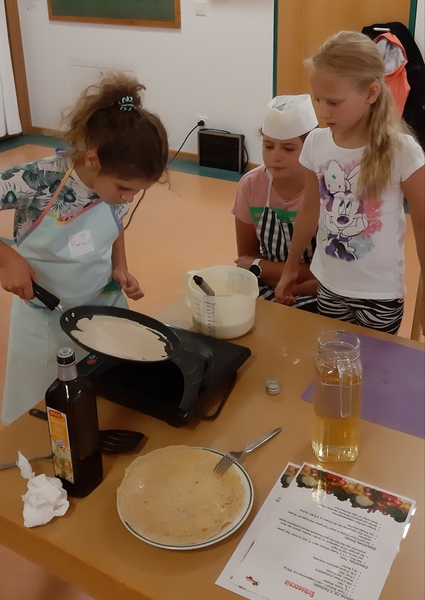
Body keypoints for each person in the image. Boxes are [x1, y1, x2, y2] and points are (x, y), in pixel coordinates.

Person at [0, 72, 169, 424]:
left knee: (104, 405)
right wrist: (8, 258)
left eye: (137, 192)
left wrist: (119, 266)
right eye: (124, 188)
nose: (128, 198)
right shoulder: (39, 180)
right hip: (46, 319)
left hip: (104, 307)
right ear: (93, 160)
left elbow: (115, 221)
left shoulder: (116, 187)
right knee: (44, 415)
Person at [275, 31, 425, 335]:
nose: (323, 111)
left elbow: (422, 224)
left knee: (375, 363)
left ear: (371, 93)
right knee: (334, 358)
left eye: (334, 102)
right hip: (329, 286)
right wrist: (290, 268)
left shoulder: (402, 150)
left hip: (380, 296)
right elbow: (309, 211)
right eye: (318, 99)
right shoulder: (316, 143)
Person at [232, 95, 319, 311]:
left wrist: (260, 267)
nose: (275, 157)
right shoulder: (251, 185)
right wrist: (266, 271)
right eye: (268, 146)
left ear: (311, 147)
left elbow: (324, 274)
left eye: (288, 149)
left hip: (315, 292)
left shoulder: (326, 189)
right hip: (265, 284)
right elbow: (245, 258)